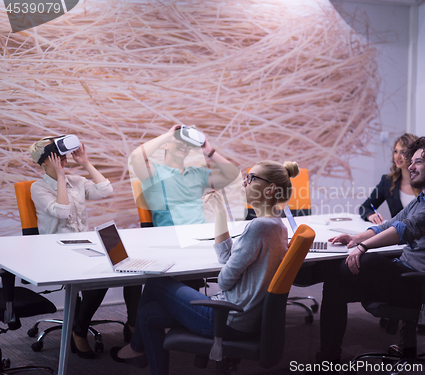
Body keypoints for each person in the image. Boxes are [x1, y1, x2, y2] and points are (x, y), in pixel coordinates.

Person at [110, 160, 300, 375]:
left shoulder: (258, 227)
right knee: (148, 313)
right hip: (241, 316)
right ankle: (138, 351)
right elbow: (226, 257)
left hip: (228, 319)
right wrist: (219, 213)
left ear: (270, 189)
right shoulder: (276, 225)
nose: (244, 183)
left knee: (155, 280)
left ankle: (136, 348)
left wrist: (231, 268)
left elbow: (224, 280)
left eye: (251, 178)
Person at [303, 137, 425, 365]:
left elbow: (405, 229)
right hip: (409, 276)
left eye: (418, 162)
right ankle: (328, 359)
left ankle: (328, 359)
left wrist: (363, 247)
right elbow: (390, 224)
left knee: (364, 263)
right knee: (335, 283)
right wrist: (356, 238)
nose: (410, 167)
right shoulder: (423, 198)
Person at [29, 135, 141, 359]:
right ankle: (79, 331)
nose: (61, 158)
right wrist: (60, 177)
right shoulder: (38, 188)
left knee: (130, 268)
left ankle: (132, 325)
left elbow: (106, 190)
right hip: (55, 249)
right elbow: (62, 212)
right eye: (54, 156)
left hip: (83, 245)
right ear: (43, 163)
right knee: (101, 278)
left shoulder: (77, 181)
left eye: (61, 154)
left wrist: (85, 163)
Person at [129, 124, 240, 227]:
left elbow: (233, 175)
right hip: (173, 240)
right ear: (166, 145)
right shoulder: (155, 173)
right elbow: (136, 157)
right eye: (179, 140)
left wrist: (208, 151)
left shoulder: (197, 174)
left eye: (188, 143)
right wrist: (167, 136)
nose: (184, 145)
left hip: (203, 235)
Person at [359, 133, 420, 224]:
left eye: (403, 152)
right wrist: (371, 215)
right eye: (396, 151)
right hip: (398, 236)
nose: (397, 156)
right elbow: (364, 207)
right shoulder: (388, 181)